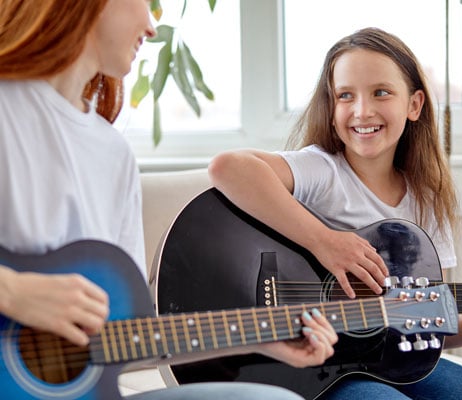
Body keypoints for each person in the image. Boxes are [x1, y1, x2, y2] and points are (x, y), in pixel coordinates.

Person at [208, 27, 462, 399]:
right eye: (345, 95)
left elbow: (429, 326)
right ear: (331, 111)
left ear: (414, 105)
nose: (362, 110)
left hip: (389, 363)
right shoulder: (322, 171)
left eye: (381, 92)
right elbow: (228, 167)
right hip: (319, 371)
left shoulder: (427, 199)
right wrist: (325, 243)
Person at [0, 1, 337, 399]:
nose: (151, 27)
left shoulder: (112, 154)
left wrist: (260, 340)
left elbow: (119, 341)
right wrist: (13, 291)